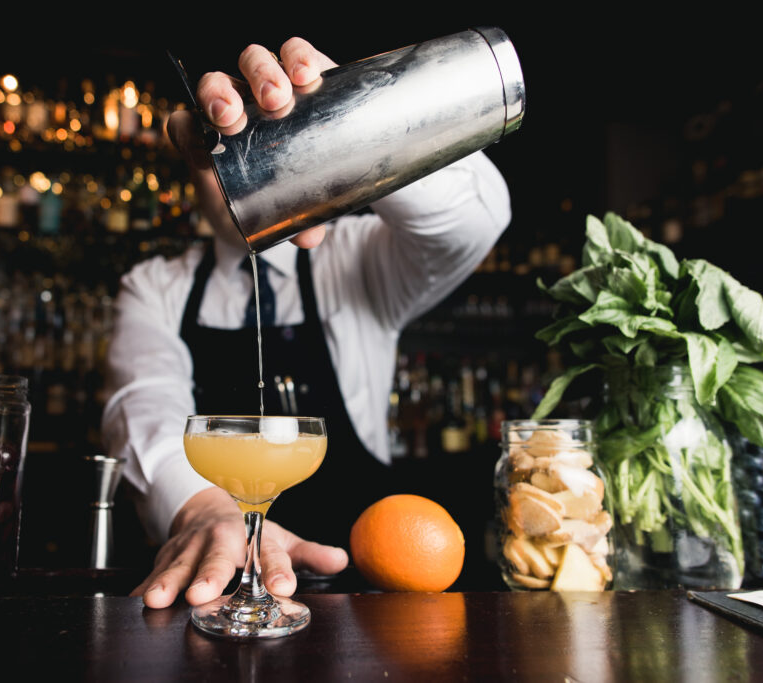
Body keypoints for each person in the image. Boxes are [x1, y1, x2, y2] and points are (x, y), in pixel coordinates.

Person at [100, 37, 512, 609]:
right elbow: (142, 400)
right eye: (219, 143)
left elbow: (474, 220)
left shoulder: (359, 257)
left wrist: (349, 118)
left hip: (361, 597)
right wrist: (202, 507)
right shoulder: (154, 287)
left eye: (254, 144)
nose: (233, 163)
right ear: (189, 159)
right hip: (211, 596)